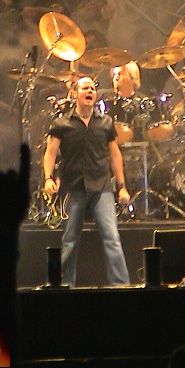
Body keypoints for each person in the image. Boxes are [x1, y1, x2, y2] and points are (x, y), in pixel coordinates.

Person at [43, 76, 131, 286]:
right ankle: (64, 286)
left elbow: (115, 155)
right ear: (75, 94)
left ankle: (121, 286)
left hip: (102, 187)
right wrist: (48, 178)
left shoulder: (105, 122)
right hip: (73, 187)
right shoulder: (62, 123)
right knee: (70, 240)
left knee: (112, 238)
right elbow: (50, 153)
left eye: (92, 88)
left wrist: (122, 187)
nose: (90, 91)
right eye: (85, 88)